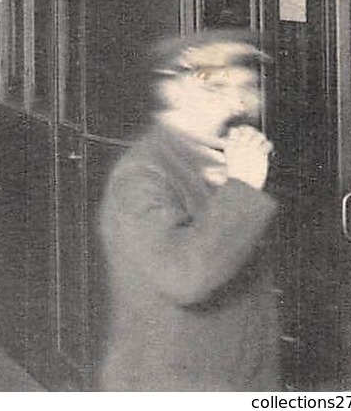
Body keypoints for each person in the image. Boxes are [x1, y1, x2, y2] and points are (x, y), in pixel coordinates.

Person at [98, 31, 278, 391]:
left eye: (248, 87)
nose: (238, 103)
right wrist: (242, 187)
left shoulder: (226, 159)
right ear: (172, 92)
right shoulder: (141, 176)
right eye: (215, 87)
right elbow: (186, 278)